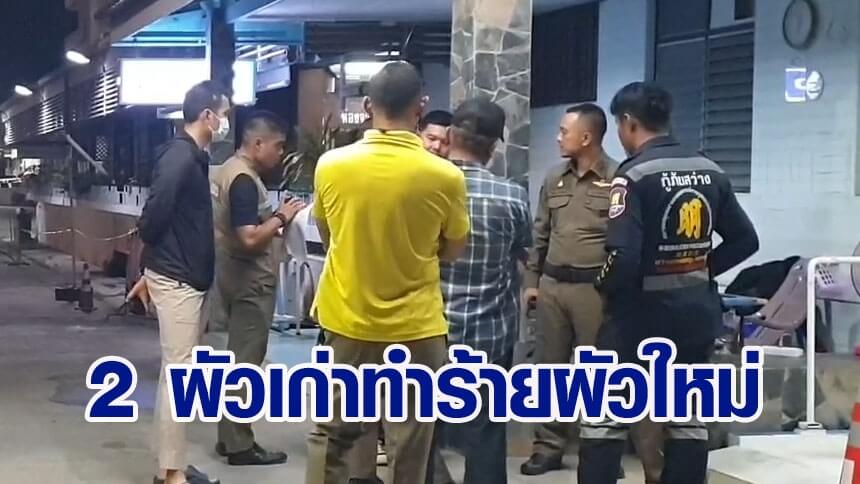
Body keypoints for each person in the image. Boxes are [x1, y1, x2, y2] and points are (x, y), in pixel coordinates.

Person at [577, 81, 759, 484]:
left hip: (637, 320)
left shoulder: (633, 175)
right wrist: (698, 269)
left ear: (629, 123)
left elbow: (622, 257)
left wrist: (604, 287)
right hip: (695, 316)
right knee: (686, 418)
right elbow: (746, 240)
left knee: (605, 416)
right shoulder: (710, 169)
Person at [305, 61, 471, 484]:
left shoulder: (331, 165)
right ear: (422, 107)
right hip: (417, 328)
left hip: (347, 320)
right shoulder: (445, 176)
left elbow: (329, 235)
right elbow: (453, 249)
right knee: (410, 443)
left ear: (367, 106)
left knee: (333, 433)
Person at [131, 80, 230, 484]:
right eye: (223, 114)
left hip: (183, 276)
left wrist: (149, 271)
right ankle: (172, 474)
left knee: (177, 373)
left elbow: (174, 221)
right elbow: (156, 215)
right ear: (207, 116)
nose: (225, 122)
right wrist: (155, 267)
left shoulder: (192, 157)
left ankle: (170, 465)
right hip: (179, 279)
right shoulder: (180, 157)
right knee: (180, 376)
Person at [430, 98, 532, 484]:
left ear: (450, 134)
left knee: (421, 428)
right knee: (487, 429)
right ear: (493, 146)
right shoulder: (513, 196)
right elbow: (522, 253)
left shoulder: (424, 191)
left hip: (427, 332)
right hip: (490, 334)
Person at [520, 103, 621, 476]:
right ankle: (548, 447)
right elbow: (540, 234)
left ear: (587, 137)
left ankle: (602, 450)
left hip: (595, 290)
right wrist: (531, 283)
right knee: (549, 370)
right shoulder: (554, 178)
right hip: (553, 287)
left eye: (564, 131)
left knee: (598, 372)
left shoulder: (618, 179)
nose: (558, 137)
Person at [210, 111, 305, 465]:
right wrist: (282, 216)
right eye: (278, 146)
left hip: (231, 276)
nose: (280, 154)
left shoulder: (226, 170)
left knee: (236, 361)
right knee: (246, 365)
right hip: (250, 282)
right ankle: (239, 445)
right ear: (258, 143)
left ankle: (228, 437)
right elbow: (249, 237)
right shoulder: (244, 181)